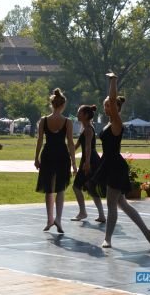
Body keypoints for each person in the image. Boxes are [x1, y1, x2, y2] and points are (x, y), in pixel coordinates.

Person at [91, 73, 150, 249]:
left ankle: (108, 239)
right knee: (122, 203)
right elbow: (111, 101)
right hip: (109, 164)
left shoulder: (117, 122)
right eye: (105, 105)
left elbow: (112, 99)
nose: (106, 107)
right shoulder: (109, 123)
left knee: (112, 204)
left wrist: (113, 80)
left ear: (115, 108)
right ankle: (146, 232)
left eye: (108, 105)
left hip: (115, 166)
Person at [34, 88, 77, 234]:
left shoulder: (44, 121)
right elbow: (70, 143)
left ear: (51, 104)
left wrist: (36, 158)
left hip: (48, 155)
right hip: (62, 155)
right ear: (63, 105)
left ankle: (49, 219)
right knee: (60, 188)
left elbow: (40, 141)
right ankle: (58, 218)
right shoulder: (67, 122)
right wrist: (74, 163)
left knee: (48, 189)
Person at [71, 105, 106, 223]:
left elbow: (88, 147)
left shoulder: (88, 129)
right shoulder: (85, 128)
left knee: (76, 187)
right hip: (90, 160)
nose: (77, 114)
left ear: (85, 115)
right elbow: (75, 147)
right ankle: (101, 215)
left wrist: (86, 163)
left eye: (79, 112)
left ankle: (83, 212)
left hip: (90, 160)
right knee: (91, 188)